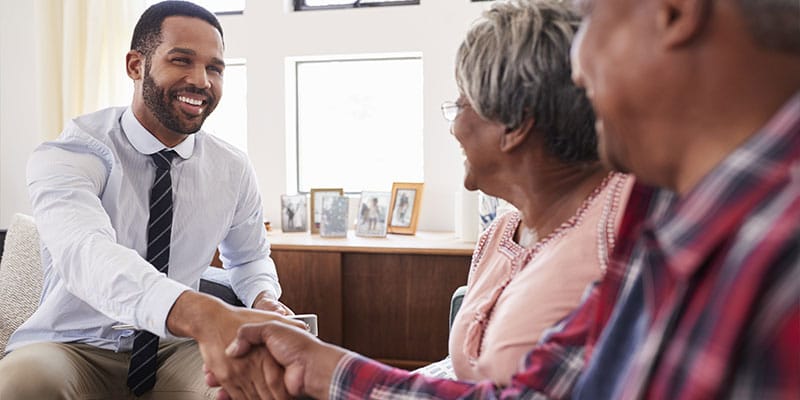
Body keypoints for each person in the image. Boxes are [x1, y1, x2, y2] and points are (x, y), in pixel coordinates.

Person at [213, 0, 800, 398]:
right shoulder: (663, 218)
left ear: (674, 13)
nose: (578, 70)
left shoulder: (755, 238)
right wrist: (324, 368)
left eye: (591, 14)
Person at [0, 1, 304, 399]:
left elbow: (248, 258)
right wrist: (202, 313)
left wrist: (263, 297)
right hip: (72, 346)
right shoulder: (71, 153)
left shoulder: (231, 167)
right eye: (182, 60)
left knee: (257, 384)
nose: (201, 80)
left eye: (214, 68)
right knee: (21, 383)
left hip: (173, 346)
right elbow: (86, 253)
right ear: (135, 65)